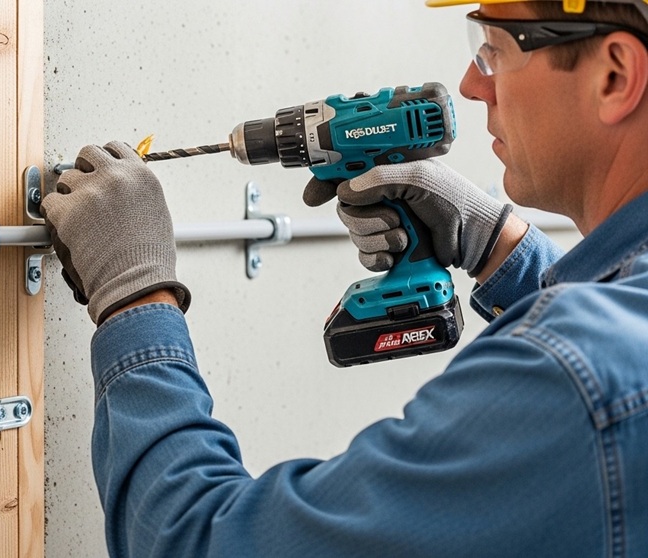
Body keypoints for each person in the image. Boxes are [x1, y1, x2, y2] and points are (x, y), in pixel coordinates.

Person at [39, 0, 648, 555]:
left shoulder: (572, 380)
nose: (471, 83)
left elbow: (198, 541)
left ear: (615, 74)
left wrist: (135, 298)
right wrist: (500, 246)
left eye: (494, 50)